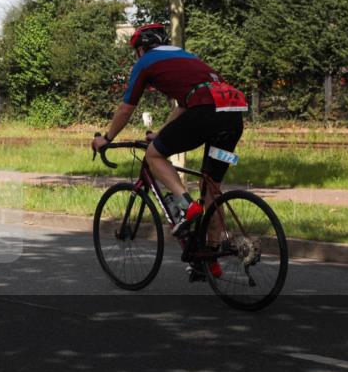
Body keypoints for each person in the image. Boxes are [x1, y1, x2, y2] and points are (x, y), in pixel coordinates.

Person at [92, 23, 247, 243]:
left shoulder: (145, 62)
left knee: (154, 155)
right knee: (211, 188)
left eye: (136, 52)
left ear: (141, 49)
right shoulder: (188, 56)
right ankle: (210, 261)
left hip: (205, 113)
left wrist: (106, 138)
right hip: (232, 117)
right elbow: (183, 106)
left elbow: (126, 108)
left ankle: (186, 205)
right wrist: (161, 133)